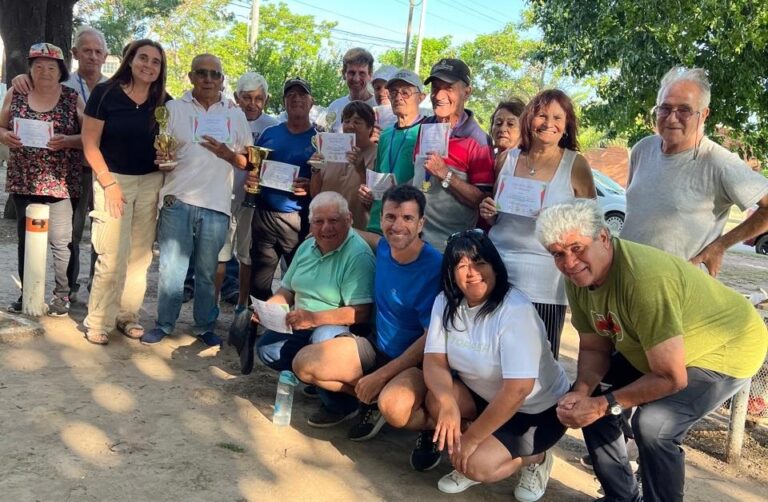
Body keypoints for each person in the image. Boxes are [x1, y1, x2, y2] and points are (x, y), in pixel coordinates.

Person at [536, 199, 768, 502]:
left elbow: (671, 378)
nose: (568, 262)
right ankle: (621, 496)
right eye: (558, 254)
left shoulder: (644, 279)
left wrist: (603, 405)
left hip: (728, 346)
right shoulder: (578, 278)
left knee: (653, 425)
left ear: (603, 238)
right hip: (658, 346)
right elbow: (594, 348)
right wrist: (582, 392)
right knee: (587, 400)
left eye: (577, 248)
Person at [421, 229, 569, 501]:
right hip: (487, 397)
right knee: (436, 399)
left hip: (536, 411)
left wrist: (472, 439)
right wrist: (448, 403)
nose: (472, 272)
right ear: (450, 272)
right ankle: (478, 448)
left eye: (479, 263)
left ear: (495, 266)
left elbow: (518, 390)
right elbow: (433, 360)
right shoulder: (445, 302)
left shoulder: (515, 310)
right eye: (461, 265)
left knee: (477, 465)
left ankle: (536, 457)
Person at [292, 185, 442, 437]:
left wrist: (381, 376)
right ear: (381, 219)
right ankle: (371, 401)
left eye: (408, 218)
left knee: (394, 408)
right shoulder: (384, 247)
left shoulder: (434, 266)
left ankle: (431, 430)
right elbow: (359, 233)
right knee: (304, 364)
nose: (398, 226)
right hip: (376, 347)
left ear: (421, 223)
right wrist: (321, 234)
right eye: (390, 217)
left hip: (414, 363)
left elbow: (431, 337)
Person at [140, 54, 251, 346]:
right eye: (202, 73)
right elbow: (161, 149)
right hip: (177, 198)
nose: (208, 79)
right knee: (171, 270)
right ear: (190, 77)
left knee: (207, 271)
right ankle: (164, 323)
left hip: (216, 204)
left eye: (215, 74)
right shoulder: (173, 108)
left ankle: (204, 326)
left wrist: (227, 154)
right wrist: (162, 157)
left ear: (222, 80)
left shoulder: (234, 114)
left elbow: (249, 162)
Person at [479, 90, 596, 358]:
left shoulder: (575, 164)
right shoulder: (506, 159)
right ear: (530, 119)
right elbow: (497, 214)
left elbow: (592, 223)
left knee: (538, 360)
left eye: (557, 117)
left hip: (545, 277)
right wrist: (489, 211)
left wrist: (558, 223)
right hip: (498, 270)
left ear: (567, 124)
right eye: (542, 115)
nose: (548, 123)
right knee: (492, 354)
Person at [620, 67, 768, 276]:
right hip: (626, 279)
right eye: (665, 108)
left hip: (678, 289)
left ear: (704, 114)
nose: (672, 118)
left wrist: (720, 246)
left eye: (684, 110)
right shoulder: (642, 149)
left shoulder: (719, 162)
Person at [248, 192, 375, 425]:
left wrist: (313, 318)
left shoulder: (358, 255)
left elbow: (361, 312)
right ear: (310, 223)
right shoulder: (307, 246)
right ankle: (320, 379)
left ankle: (342, 405)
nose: (326, 227)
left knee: (321, 339)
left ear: (349, 220)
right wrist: (267, 310)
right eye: (319, 221)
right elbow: (287, 291)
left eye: (334, 220)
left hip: (340, 329)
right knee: (267, 349)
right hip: (303, 322)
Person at [81, 39, 169, 345]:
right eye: (143, 58)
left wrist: (166, 161)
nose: (148, 65)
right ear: (130, 60)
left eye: (155, 61)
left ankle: (127, 316)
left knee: (140, 257)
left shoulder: (164, 102)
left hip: (150, 181)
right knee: (111, 254)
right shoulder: (105, 93)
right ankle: (98, 321)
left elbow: (168, 146)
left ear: (161, 69)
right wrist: (108, 184)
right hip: (112, 178)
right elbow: (90, 144)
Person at [12, 26, 109, 301]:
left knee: (100, 235)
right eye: (86, 51)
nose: (92, 56)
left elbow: (94, 134)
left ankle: (94, 291)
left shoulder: (114, 89)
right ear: (75, 54)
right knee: (69, 235)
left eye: (97, 51)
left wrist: (68, 140)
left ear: (105, 56)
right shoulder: (59, 87)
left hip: (102, 172)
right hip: (70, 172)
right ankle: (63, 291)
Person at [0, 43, 84, 315]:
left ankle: (62, 295)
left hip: (60, 182)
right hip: (24, 179)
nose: (44, 71)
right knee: (27, 240)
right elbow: (0, 125)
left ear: (61, 70)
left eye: (51, 67)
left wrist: (69, 141)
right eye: (38, 66)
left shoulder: (72, 98)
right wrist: (4, 136)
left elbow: (91, 136)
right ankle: (28, 294)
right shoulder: (17, 92)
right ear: (30, 69)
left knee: (61, 241)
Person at [415, 58, 495, 252]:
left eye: (448, 88)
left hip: (450, 248)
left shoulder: (478, 140)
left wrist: (445, 174)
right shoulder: (424, 126)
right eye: (435, 87)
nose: (439, 95)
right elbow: (420, 177)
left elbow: (483, 201)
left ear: (466, 92)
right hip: (416, 241)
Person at [246, 77, 314, 303]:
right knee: (259, 281)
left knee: (298, 282)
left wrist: (310, 186)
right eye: (290, 95)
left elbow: (326, 181)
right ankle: (254, 328)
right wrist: (254, 178)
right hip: (264, 214)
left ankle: (295, 331)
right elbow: (256, 167)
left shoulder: (319, 140)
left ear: (311, 102)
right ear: (284, 102)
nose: (296, 99)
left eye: (302, 95)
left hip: (297, 218)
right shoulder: (270, 133)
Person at [219, 72, 279, 314]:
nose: (252, 104)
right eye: (246, 98)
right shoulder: (225, 118)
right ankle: (211, 305)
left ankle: (242, 305)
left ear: (265, 100)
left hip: (253, 200)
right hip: (223, 194)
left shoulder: (273, 127)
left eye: (258, 98)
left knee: (246, 255)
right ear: (236, 97)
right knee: (220, 254)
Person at [359, 69, 426, 235]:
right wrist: (369, 195)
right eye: (394, 92)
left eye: (406, 92)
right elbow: (377, 177)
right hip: (376, 222)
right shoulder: (385, 134)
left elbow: (429, 183)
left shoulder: (427, 132)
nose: (398, 97)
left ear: (421, 97)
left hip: (403, 228)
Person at [310, 101, 376, 230]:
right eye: (346, 121)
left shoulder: (378, 154)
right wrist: (315, 169)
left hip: (358, 235)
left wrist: (360, 170)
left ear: (370, 127)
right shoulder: (328, 150)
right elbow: (315, 194)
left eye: (357, 122)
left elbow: (374, 203)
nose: (350, 126)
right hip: (324, 231)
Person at [325, 48, 377, 132]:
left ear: (370, 76)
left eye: (362, 73)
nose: (356, 79)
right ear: (344, 74)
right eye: (351, 73)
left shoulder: (379, 107)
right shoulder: (335, 107)